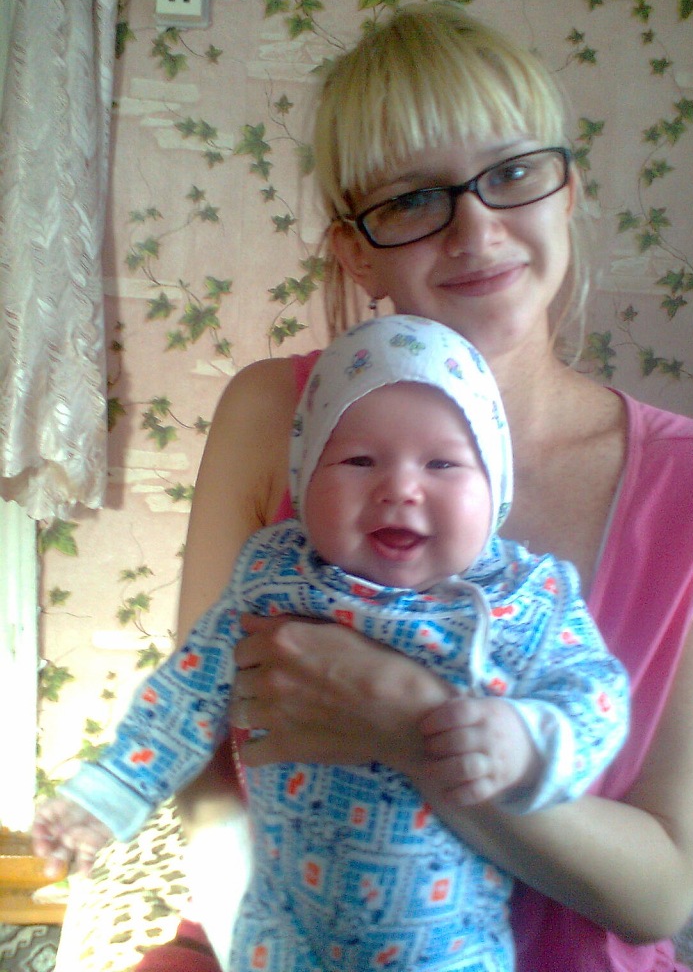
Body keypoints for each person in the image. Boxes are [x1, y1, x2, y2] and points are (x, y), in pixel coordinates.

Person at [59, 2, 693, 972]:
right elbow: (211, 760)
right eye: (412, 198)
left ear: (567, 192)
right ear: (354, 248)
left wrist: (403, 723)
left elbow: (656, 895)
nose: (477, 227)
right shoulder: (268, 414)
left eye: (512, 173)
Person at [33, 314, 630, 972]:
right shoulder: (277, 582)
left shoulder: (523, 598)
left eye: (442, 463)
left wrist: (530, 740)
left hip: (446, 944)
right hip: (286, 931)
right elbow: (185, 692)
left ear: (496, 488)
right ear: (304, 481)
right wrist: (111, 792)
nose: (400, 488)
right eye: (359, 461)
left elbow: (596, 693)